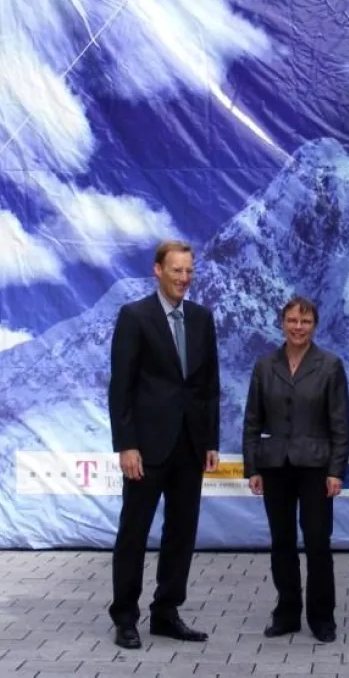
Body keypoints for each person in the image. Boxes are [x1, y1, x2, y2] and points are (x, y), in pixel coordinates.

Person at [108, 240, 220, 650]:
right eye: (177, 270)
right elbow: (121, 387)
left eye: (189, 271)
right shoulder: (135, 317)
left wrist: (210, 439)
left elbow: (209, 385)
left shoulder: (202, 318)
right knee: (134, 532)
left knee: (181, 533)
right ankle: (124, 617)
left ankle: (167, 613)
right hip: (147, 447)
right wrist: (126, 444)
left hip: (190, 445)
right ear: (158, 270)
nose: (184, 279)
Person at [243, 295, 349, 643]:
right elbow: (251, 421)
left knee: (318, 542)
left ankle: (322, 618)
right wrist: (252, 468)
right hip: (274, 466)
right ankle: (287, 613)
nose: (298, 327)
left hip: (317, 467)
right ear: (282, 323)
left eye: (305, 322)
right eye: (292, 321)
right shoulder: (264, 366)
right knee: (282, 542)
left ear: (315, 326)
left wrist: (337, 470)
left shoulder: (330, 365)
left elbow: (341, 425)